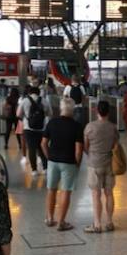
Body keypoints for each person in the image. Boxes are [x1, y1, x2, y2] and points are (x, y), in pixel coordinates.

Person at [44, 98, 84, 230]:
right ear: (72, 110)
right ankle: (61, 222)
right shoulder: (77, 126)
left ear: (61, 108)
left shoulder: (52, 123)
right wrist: (77, 164)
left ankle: (50, 218)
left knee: (51, 189)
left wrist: (49, 156)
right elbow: (78, 150)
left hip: (53, 161)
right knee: (65, 192)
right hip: (69, 162)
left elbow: (43, 143)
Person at [82, 100, 118, 233]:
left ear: (97, 111)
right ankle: (109, 222)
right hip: (109, 163)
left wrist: (91, 153)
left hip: (94, 163)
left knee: (96, 194)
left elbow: (85, 146)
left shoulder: (90, 127)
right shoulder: (113, 127)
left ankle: (97, 224)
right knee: (109, 193)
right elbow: (115, 145)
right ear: (108, 112)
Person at [19, 85, 49, 175]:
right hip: (41, 128)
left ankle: (34, 170)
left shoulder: (25, 101)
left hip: (28, 128)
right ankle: (45, 168)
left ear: (29, 92)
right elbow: (49, 113)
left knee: (31, 148)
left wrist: (27, 117)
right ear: (39, 93)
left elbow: (18, 114)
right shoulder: (44, 101)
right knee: (41, 147)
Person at [1, 88, 21, 154]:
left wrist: (5, 113)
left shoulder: (8, 98)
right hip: (16, 117)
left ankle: (6, 144)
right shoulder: (18, 98)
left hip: (9, 117)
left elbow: (4, 106)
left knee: (8, 131)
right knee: (18, 131)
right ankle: (20, 145)